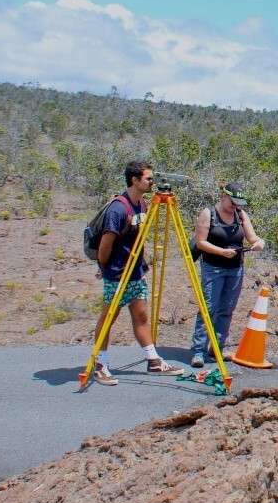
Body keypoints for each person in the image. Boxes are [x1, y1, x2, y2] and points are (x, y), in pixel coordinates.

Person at [88, 161, 185, 385]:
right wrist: (105, 269)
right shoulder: (118, 209)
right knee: (108, 318)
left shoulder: (141, 203)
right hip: (118, 274)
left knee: (141, 316)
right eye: (149, 179)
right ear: (135, 180)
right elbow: (105, 246)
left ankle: (153, 361)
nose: (153, 183)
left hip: (136, 272)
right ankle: (100, 364)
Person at [190, 182, 265, 367]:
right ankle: (198, 351)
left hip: (235, 268)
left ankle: (218, 347)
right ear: (224, 197)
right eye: (233, 203)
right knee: (208, 309)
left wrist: (258, 242)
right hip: (213, 268)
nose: (235, 207)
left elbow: (252, 237)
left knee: (227, 308)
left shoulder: (240, 215)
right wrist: (221, 252)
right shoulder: (208, 214)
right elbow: (200, 242)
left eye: (238, 204)